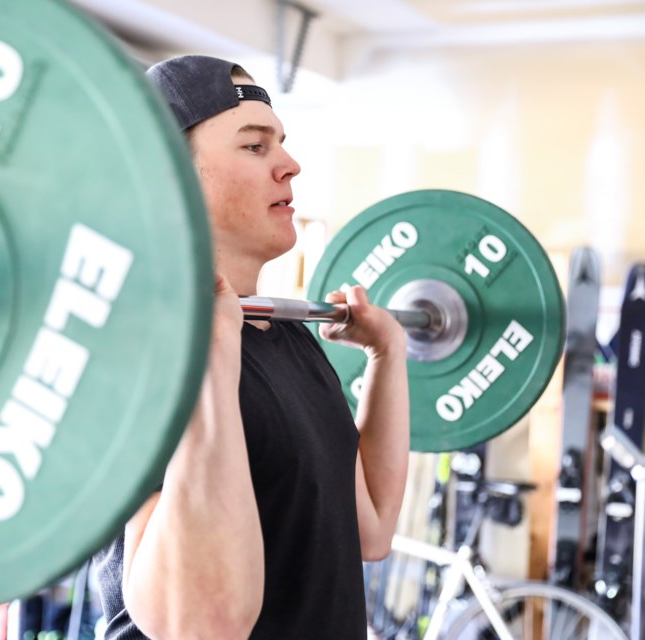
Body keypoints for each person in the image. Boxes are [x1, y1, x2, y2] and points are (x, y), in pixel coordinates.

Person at [94, 54, 411, 639]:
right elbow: (200, 624)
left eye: (281, 144)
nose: (290, 165)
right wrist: (209, 363)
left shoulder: (288, 333)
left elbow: (369, 530)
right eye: (254, 146)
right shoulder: (143, 356)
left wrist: (387, 357)